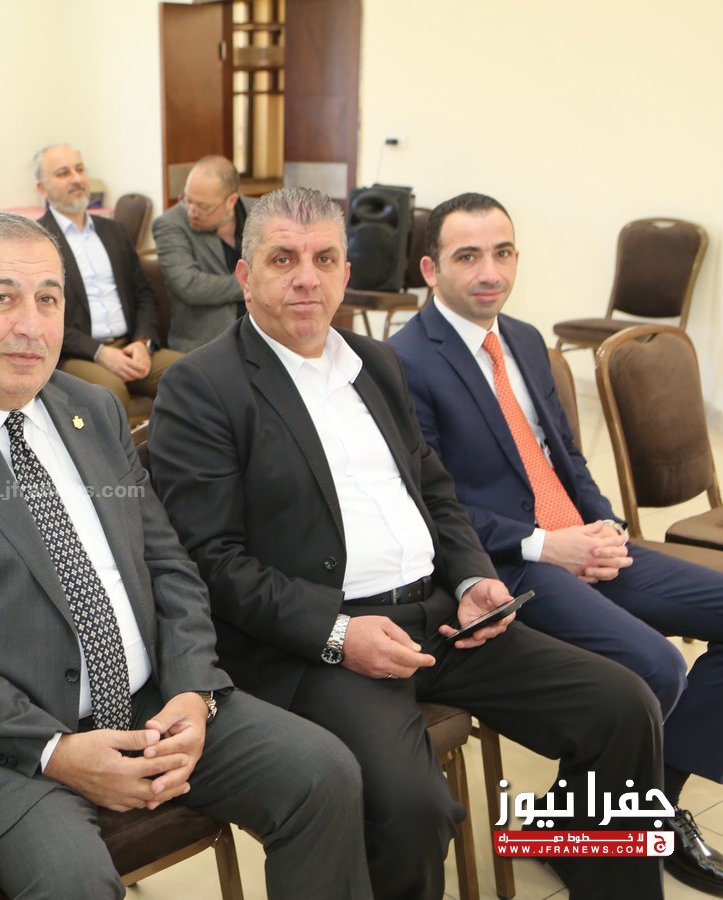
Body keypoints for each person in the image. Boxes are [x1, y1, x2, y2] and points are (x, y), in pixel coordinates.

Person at [147, 186, 665, 900]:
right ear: (245, 275)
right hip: (325, 645)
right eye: (283, 259)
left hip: (442, 619)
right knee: (413, 810)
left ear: (345, 271)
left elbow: (436, 493)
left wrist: (473, 577)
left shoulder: (377, 364)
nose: (306, 279)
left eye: (324, 259)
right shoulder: (202, 387)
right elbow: (212, 562)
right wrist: (339, 633)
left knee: (625, 706)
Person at [0, 211, 371, 900]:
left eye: (48, 299)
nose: (30, 325)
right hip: (2, 748)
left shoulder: (93, 409)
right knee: (74, 882)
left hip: (154, 703)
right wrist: (56, 750)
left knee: (325, 774)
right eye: (2, 299)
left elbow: (169, 566)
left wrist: (191, 688)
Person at [388, 191, 723, 895]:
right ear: (431, 269)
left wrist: (606, 525)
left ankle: (616, 818)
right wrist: (546, 545)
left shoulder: (523, 338)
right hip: (508, 564)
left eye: (503, 252)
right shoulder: (406, 361)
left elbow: (564, 454)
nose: (490, 272)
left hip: (578, 542)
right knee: (657, 665)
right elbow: (432, 503)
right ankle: (609, 830)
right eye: (468, 256)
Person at [33, 144, 182, 410]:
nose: (76, 179)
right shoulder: (36, 241)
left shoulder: (114, 231)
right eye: (63, 173)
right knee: (110, 394)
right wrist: (98, 352)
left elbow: (144, 294)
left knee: (190, 373)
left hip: (130, 345)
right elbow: (40, 316)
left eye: (80, 169)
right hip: (77, 354)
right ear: (42, 189)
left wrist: (143, 342)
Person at [151, 155, 252, 351]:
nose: (191, 211)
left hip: (265, 334)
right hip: (205, 344)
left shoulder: (260, 212)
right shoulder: (170, 224)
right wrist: (253, 284)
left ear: (231, 201)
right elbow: (189, 285)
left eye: (203, 206)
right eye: (187, 200)